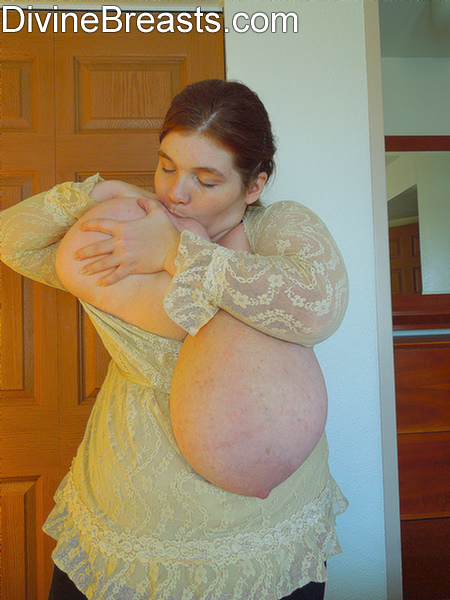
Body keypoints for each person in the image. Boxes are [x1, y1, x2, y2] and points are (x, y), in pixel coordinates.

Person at [0, 79, 349, 600]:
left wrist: (178, 252)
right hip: (134, 523)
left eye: (206, 180)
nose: (175, 193)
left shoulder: (277, 225)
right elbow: (15, 241)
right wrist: (104, 192)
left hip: (270, 530)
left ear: (254, 185)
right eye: (166, 167)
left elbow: (319, 304)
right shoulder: (129, 228)